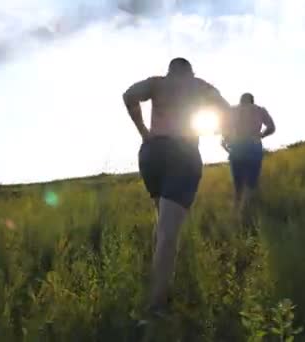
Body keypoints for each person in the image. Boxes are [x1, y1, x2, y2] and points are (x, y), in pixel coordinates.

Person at [122, 57, 231, 322]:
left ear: (170, 71)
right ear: (190, 72)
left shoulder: (157, 83)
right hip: (182, 153)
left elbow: (129, 95)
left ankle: (154, 282)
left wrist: (143, 131)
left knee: (162, 223)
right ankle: (156, 309)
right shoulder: (199, 85)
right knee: (169, 233)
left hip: (152, 152)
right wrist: (220, 130)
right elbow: (225, 109)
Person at [222, 92, 275, 209]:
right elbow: (271, 127)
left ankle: (237, 211)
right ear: (252, 101)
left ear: (241, 100)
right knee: (252, 182)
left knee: (238, 184)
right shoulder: (260, 110)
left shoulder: (232, 111)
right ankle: (248, 209)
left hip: (237, 147)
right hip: (254, 146)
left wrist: (226, 142)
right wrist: (261, 135)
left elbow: (225, 130)